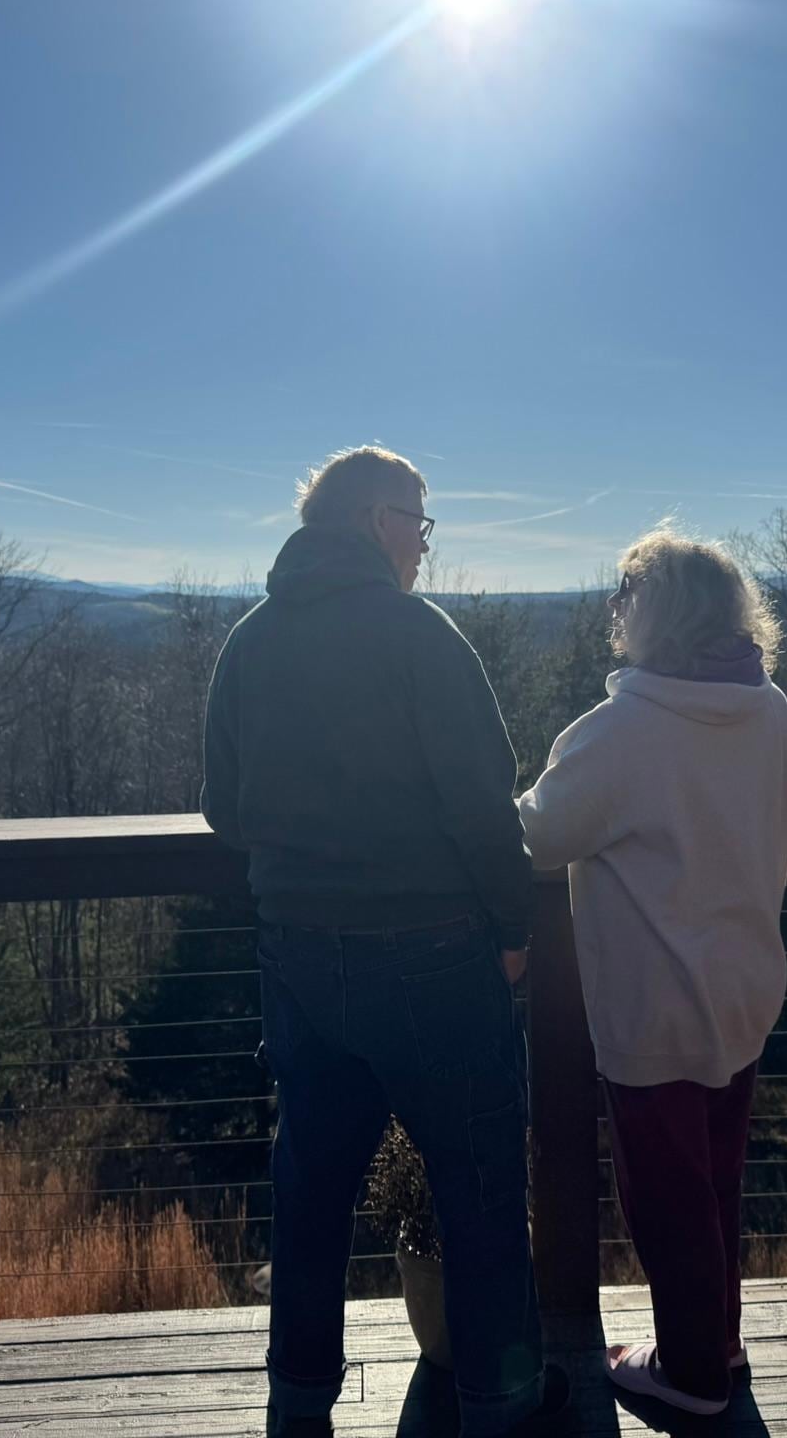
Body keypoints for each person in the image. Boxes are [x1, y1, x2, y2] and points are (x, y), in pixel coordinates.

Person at [201, 445, 564, 1438]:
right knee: (481, 1194)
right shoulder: (419, 638)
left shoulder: (249, 642)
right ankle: (501, 1407)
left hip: (299, 961)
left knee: (309, 1196)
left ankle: (297, 1409)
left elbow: (221, 809)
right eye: (419, 522)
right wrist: (511, 932)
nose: (423, 546)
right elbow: (485, 811)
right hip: (433, 959)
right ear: (373, 520)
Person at [516, 527, 787, 1417]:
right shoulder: (768, 713)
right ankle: (714, 1346)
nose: (616, 611)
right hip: (742, 998)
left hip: (651, 1012)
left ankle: (691, 1377)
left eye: (624, 596)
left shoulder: (620, 731)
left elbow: (532, 834)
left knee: (664, 1200)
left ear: (647, 616)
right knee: (714, 1182)